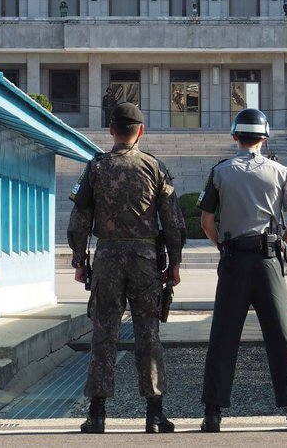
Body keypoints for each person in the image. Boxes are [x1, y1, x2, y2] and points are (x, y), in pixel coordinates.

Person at [67, 102, 186, 434]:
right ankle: (155, 415)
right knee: (148, 335)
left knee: (104, 335)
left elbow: (80, 220)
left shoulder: (96, 167)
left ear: (111, 131)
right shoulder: (154, 167)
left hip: (107, 259)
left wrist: (79, 261)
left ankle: (97, 415)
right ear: (141, 131)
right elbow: (174, 222)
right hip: (146, 261)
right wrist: (174, 263)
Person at [197, 108, 287, 433]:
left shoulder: (220, 172)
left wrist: (222, 246)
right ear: (264, 137)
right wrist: (280, 243)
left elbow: (205, 220)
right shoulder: (280, 171)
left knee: (223, 336)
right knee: (281, 336)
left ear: (235, 137)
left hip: (233, 261)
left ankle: (213, 414)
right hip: (268, 259)